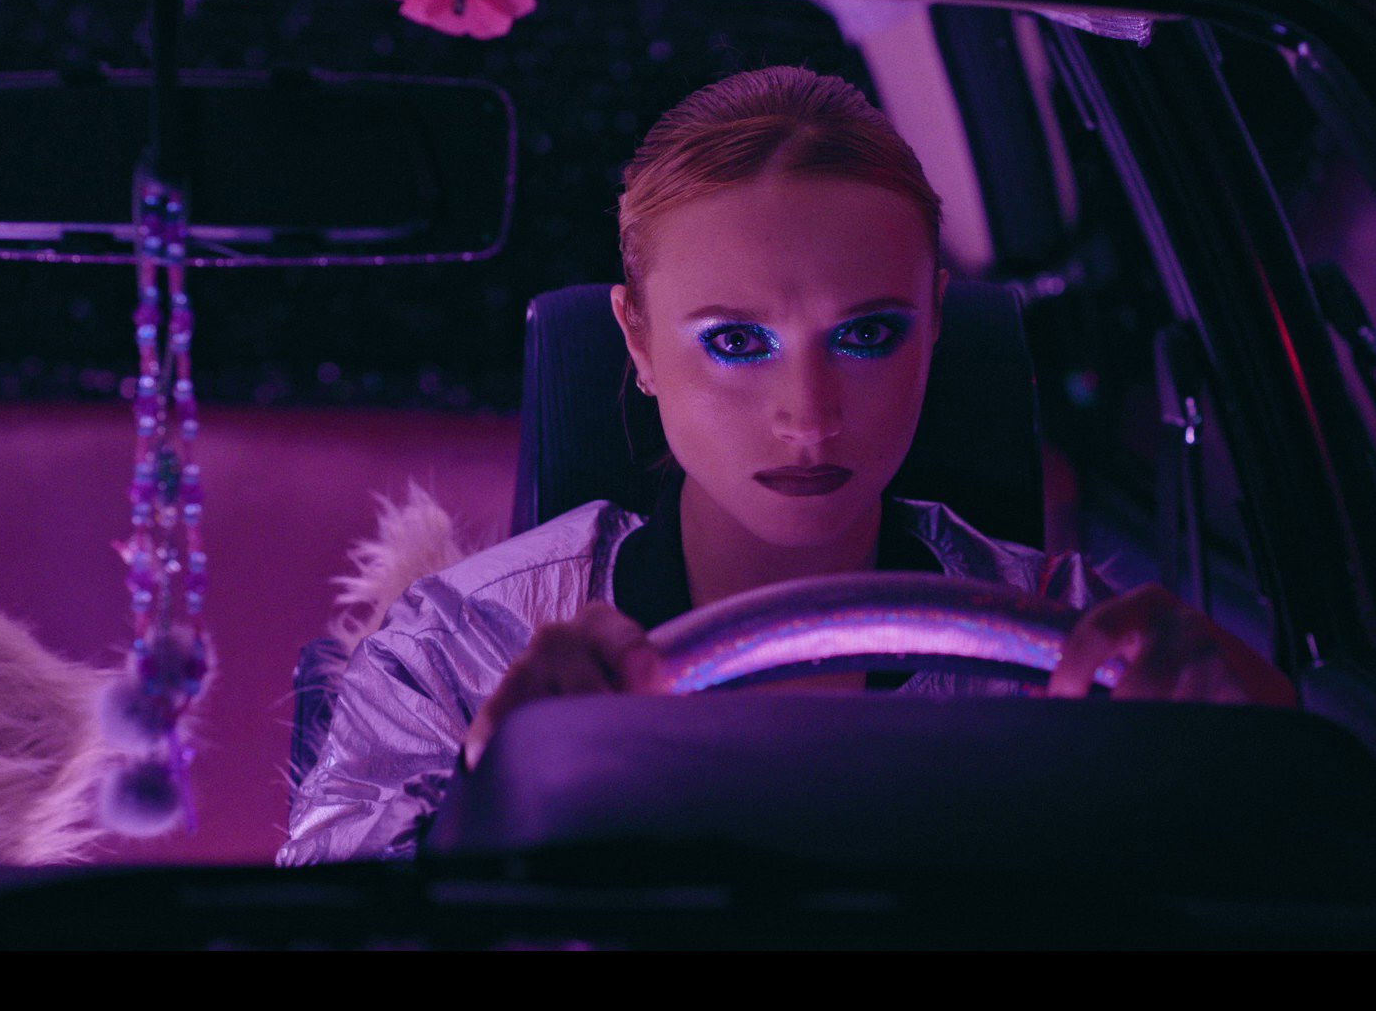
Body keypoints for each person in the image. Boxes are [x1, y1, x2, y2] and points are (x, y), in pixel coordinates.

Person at [278, 66, 1293, 866]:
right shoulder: (456, 653)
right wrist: (497, 792)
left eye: (868, 335)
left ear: (936, 322)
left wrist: (1252, 749)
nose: (810, 417)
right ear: (637, 341)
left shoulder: (1081, 649)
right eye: (736, 342)